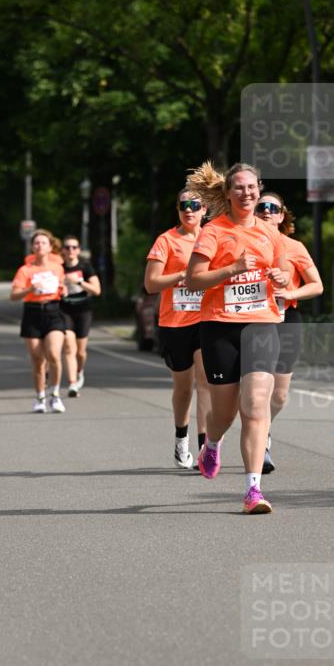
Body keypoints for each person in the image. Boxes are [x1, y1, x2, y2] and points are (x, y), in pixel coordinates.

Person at [185, 161, 290, 514]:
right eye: (240, 187)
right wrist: (232, 269)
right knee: (224, 412)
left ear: (259, 189)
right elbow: (194, 279)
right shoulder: (214, 231)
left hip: (261, 324)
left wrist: (280, 278)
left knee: (256, 405)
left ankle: (253, 491)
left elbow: (285, 273)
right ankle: (212, 443)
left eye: (252, 187)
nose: (247, 193)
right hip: (219, 327)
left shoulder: (270, 232)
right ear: (228, 193)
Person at [255, 192, 324, 473]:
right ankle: (260, 442)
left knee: (279, 395)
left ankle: (264, 429)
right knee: (257, 387)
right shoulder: (242, 243)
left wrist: (290, 292)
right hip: (254, 321)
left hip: (287, 317)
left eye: (274, 208)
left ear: (282, 215)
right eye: (262, 207)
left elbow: (317, 285)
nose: (267, 211)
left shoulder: (293, 247)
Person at [144, 191, 211, 468]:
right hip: (174, 322)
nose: (189, 210)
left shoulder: (212, 238)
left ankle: (205, 450)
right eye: (184, 205)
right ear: (178, 210)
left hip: (206, 319)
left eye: (195, 205)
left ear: (204, 209)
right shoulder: (166, 240)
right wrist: (182, 276)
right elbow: (151, 284)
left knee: (205, 383)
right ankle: (180, 438)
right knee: (183, 388)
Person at [10, 229, 67, 413]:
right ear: (32, 247)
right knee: (37, 359)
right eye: (36, 243)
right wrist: (30, 289)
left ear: (50, 247)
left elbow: (61, 286)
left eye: (43, 243)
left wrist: (63, 289)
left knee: (53, 354)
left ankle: (56, 394)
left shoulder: (57, 268)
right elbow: (14, 295)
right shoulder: (25, 270)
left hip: (53, 311)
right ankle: (40, 397)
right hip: (32, 313)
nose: (39, 246)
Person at [60, 235, 101, 397]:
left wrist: (78, 282)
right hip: (64, 309)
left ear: (78, 250)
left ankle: (79, 370)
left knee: (81, 351)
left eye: (74, 247)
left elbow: (97, 290)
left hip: (83, 310)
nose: (71, 250)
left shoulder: (86, 267)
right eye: (67, 247)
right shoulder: (59, 268)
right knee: (69, 346)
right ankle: (72, 384)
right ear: (63, 250)